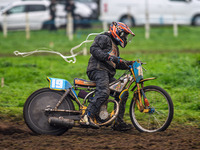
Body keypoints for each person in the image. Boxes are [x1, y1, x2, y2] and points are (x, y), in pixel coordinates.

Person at [81, 22, 135, 131]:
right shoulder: (103, 38)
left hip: (106, 73)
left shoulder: (115, 47)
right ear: (118, 31)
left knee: (123, 92)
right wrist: (109, 57)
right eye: (124, 35)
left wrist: (130, 64)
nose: (125, 38)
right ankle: (87, 116)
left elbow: (116, 63)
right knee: (103, 92)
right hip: (98, 69)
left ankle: (118, 122)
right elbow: (94, 49)